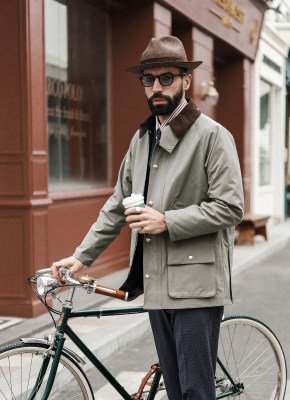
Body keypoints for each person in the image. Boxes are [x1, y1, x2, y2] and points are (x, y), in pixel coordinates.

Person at [51, 36, 244, 400]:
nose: (156, 87)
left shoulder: (213, 137)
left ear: (187, 80)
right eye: (148, 79)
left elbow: (231, 206)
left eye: (166, 77)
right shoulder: (142, 139)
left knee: (194, 393)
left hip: (196, 288)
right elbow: (116, 205)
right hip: (157, 286)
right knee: (176, 391)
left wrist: (167, 221)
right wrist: (81, 257)